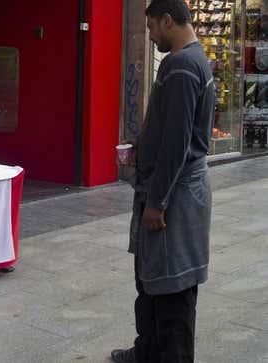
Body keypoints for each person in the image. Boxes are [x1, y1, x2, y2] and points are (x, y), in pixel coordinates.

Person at [111, 1, 214, 362]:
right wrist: (143, 145)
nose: (152, 35)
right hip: (168, 188)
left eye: (153, 27)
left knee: (173, 287)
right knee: (150, 281)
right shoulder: (185, 62)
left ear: (167, 21)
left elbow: (177, 143)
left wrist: (157, 202)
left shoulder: (184, 65)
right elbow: (167, 127)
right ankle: (147, 352)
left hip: (175, 196)